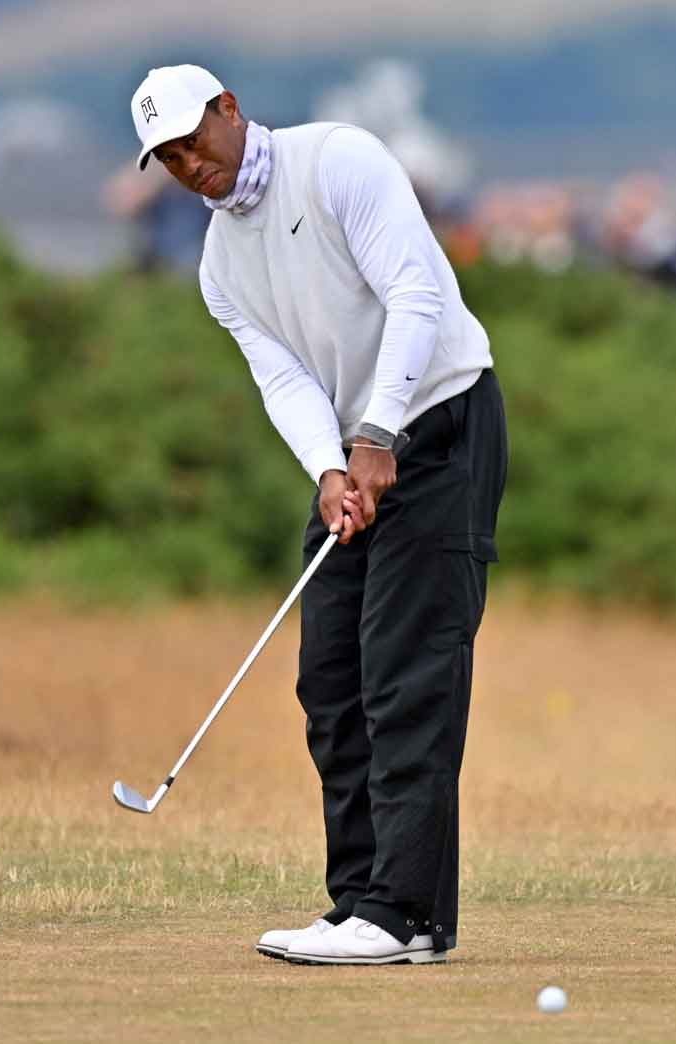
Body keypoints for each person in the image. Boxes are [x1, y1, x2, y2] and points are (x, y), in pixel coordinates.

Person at [128, 64, 506, 966]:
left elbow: (415, 294)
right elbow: (283, 377)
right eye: (167, 157)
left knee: (405, 676)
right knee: (331, 681)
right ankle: (364, 903)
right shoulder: (220, 262)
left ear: (230, 110)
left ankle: (405, 911)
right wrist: (331, 468)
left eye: (192, 138)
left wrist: (380, 430)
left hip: (442, 424)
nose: (188, 164)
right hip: (358, 454)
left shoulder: (338, 159)